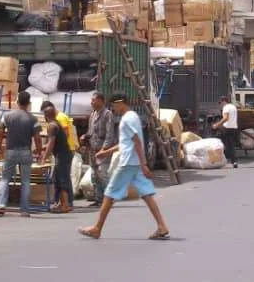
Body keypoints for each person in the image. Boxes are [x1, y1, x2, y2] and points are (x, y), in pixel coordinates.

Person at [79, 93, 169, 240]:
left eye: (114, 105)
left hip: (127, 163)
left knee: (109, 194)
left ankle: (97, 228)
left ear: (120, 103)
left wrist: (144, 164)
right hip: (133, 163)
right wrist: (106, 152)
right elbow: (125, 143)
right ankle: (161, 226)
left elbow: (137, 142)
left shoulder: (128, 119)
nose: (113, 108)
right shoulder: (132, 117)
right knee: (146, 194)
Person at [0, 91, 42, 217]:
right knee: (25, 181)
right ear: (29, 103)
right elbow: (37, 138)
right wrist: (39, 151)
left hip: (10, 151)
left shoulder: (7, 116)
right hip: (26, 151)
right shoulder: (33, 119)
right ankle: (25, 209)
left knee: (5, 178)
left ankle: (1, 205)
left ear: (17, 101)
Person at [40, 101, 75, 213]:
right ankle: (61, 203)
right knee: (57, 178)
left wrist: (44, 157)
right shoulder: (56, 123)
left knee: (62, 179)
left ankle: (65, 205)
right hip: (64, 153)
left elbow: (51, 143)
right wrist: (43, 148)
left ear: (46, 116)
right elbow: (54, 141)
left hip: (62, 155)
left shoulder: (51, 126)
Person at [81, 92, 116, 207]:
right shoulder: (93, 114)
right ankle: (98, 198)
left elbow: (109, 134)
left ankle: (109, 198)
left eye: (94, 100)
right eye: (91, 101)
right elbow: (91, 132)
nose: (92, 103)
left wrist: (104, 149)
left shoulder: (107, 114)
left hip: (102, 150)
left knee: (103, 174)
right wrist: (85, 136)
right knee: (94, 175)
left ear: (101, 101)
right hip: (93, 149)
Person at [212, 96, 239, 169]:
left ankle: (219, 160)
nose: (221, 105)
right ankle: (234, 162)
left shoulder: (226, 107)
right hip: (234, 128)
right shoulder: (233, 107)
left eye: (221, 103)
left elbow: (226, 118)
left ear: (224, 101)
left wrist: (217, 125)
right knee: (231, 145)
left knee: (217, 141)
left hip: (226, 128)